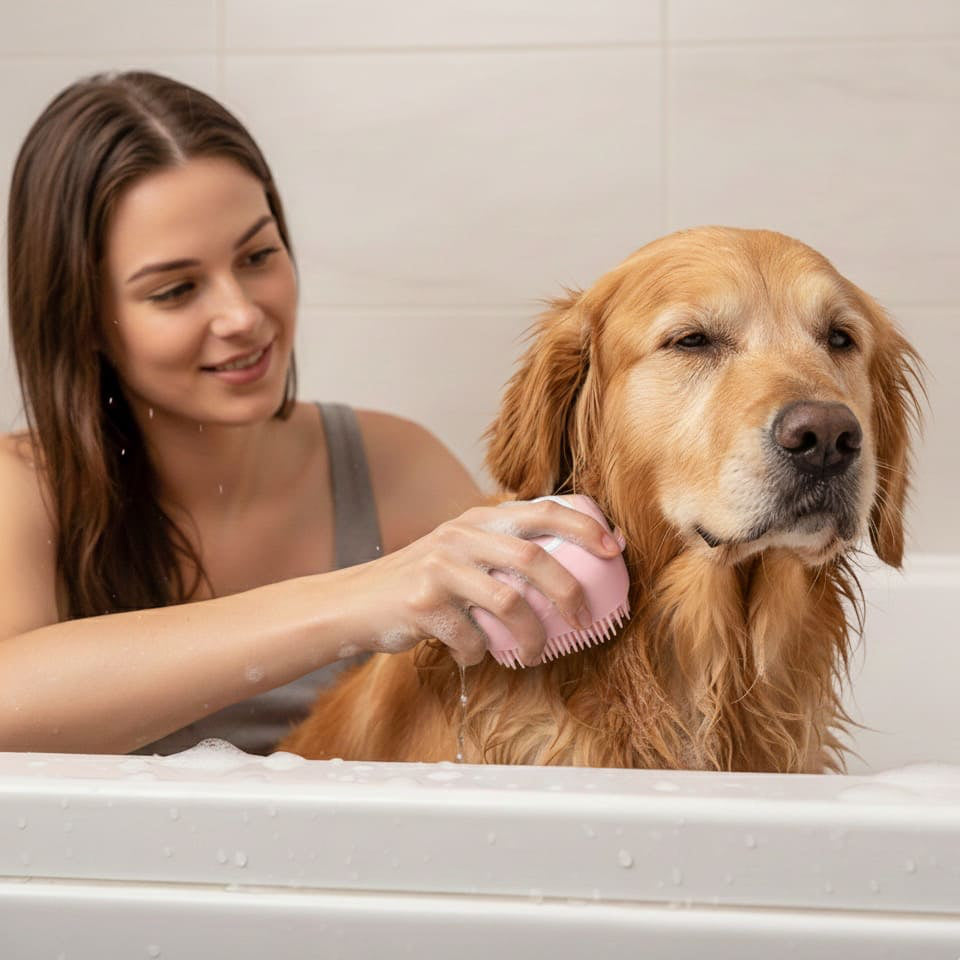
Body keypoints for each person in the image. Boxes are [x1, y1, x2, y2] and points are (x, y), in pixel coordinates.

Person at [0, 70, 623, 757]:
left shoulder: (397, 468)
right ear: (83, 318)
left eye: (258, 256)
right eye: (176, 289)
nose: (242, 314)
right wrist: (358, 600)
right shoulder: (23, 490)